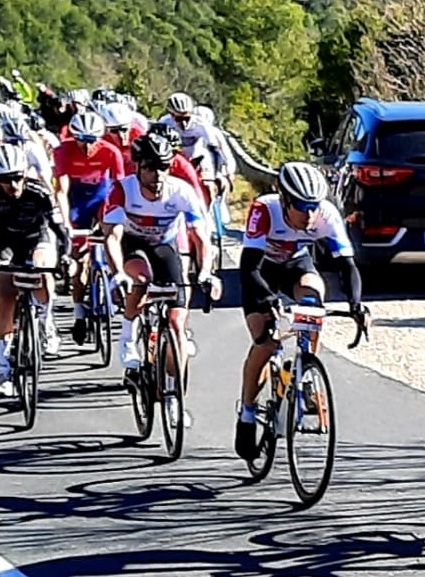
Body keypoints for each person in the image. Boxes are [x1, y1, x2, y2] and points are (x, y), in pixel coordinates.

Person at [233, 161, 367, 460]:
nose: (309, 215)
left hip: (296, 264)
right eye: (302, 207)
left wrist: (356, 305)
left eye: (314, 207)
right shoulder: (265, 210)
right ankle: (248, 411)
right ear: (285, 201)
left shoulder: (326, 215)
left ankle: (305, 367)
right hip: (261, 272)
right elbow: (248, 268)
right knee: (266, 343)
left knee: (313, 298)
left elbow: (347, 266)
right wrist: (268, 300)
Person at [101, 133, 211, 420]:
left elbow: (200, 237)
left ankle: (175, 398)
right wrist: (116, 275)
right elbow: (112, 236)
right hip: (131, 246)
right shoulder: (122, 190)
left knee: (176, 324)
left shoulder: (181, 191)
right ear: (138, 167)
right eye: (150, 166)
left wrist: (206, 271)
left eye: (164, 166)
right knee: (139, 280)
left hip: (165, 247)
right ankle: (127, 337)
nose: (158, 173)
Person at [0, 143, 69, 398]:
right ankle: (5, 368)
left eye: (18, 177)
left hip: (37, 237)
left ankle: (47, 323)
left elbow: (60, 230)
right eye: (6, 180)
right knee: (5, 294)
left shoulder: (39, 191)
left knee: (42, 268)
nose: (14, 185)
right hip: (5, 243)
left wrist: (66, 257)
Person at [54, 108, 129, 343]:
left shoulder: (111, 151)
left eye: (92, 141)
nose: (87, 147)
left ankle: (113, 279)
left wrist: (120, 218)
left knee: (113, 238)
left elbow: (121, 187)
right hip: (78, 201)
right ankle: (78, 313)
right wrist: (66, 223)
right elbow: (61, 191)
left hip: (102, 198)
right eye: (81, 141)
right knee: (79, 258)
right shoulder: (63, 150)